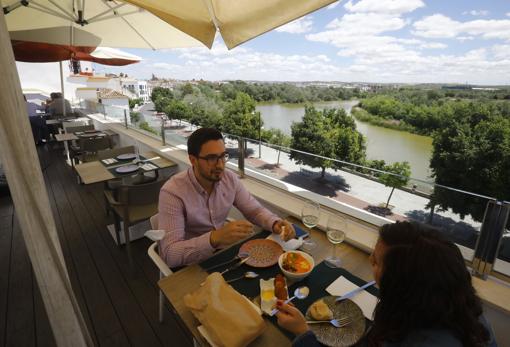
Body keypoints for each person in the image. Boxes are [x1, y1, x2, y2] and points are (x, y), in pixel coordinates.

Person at [277, 221, 497, 347]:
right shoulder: (460, 307)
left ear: (403, 285)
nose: (370, 261)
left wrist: (304, 333)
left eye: (377, 262)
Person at [158, 128, 295, 268]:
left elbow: (254, 210)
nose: (220, 165)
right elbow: (170, 255)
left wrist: (275, 222)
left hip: (225, 254)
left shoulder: (229, 179)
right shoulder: (172, 193)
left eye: (223, 156)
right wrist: (214, 238)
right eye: (211, 158)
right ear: (193, 160)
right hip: (191, 265)